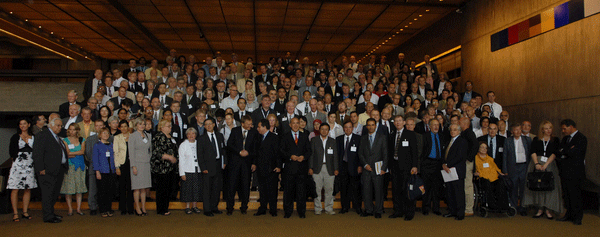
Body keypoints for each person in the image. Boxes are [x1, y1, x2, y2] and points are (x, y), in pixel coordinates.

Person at [522, 121, 562, 219]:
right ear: (542, 129)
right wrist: (536, 163)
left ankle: (548, 209)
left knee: (549, 186)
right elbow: (533, 152)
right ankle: (539, 209)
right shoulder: (536, 139)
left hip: (550, 164)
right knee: (538, 185)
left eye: (550, 128)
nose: (549, 130)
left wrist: (546, 165)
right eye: (546, 128)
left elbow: (554, 153)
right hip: (537, 164)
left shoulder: (555, 140)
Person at [32, 117, 67, 223]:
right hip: (47, 170)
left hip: (58, 169)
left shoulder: (56, 136)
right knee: (48, 193)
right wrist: (40, 168)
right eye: (58, 125)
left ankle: (51, 212)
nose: (60, 127)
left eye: (61, 125)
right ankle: (47, 216)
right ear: (51, 125)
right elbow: (37, 153)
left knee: (54, 193)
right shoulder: (43, 135)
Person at [556, 119, 587, 225]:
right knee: (567, 195)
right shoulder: (565, 139)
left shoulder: (581, 138)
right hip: (565, 172)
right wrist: (567, 151)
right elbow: (559, 152)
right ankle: (568, 214)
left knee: (576, 195)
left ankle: (578, 217)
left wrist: (565, 152)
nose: (563, 131)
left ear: (571, 127)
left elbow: (576, 154)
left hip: (576, 172)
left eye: (565, 128)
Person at [387, 115, 418, 220]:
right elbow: (390, 152)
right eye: (396, 121)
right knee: (396, 190)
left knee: (407, 190)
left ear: (404, 122)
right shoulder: (392, 135)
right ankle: (398, 211)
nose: (398, 123)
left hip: (407, 167)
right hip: (395, 166)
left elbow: (414, 152)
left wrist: (414, 166)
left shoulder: (410, 134)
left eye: (400, 121)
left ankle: (409, 212)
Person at [280, 117, 311, 218]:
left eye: (297, 123)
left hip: (302, 168)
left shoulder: (304, 136)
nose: (296, 125)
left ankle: (301, 212)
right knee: (288, 191)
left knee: (301, 191)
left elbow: (309, 151)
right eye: (293, 123)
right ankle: (288, 211)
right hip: (289, 168)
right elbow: (281, 151)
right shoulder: (285, 136)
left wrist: (304, 157)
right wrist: (290, 156)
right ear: (290, 125)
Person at [226, 115, 257, 215]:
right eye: (248, 124)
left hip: (246, 164)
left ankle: (244, 207)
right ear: (242, 124)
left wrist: (250, 155)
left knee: (245, 186)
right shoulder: (235, 131)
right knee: (232, 186)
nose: (250, 126)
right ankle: (229, 208)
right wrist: (239, 152)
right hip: (234, 163)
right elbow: (229, 144)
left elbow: (255, 149)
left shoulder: (253, 133)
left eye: (251, 124)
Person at [7, 118, 37, 222]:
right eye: (20, 124)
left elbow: (37, 150)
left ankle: (25, 212)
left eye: (24, 124)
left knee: (27, 188)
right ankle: (15, 213)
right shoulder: (15, 137)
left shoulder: (34, 137)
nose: (22, 126)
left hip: (30, 164)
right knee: (15, 188)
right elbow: (11, 152)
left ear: (29, 124)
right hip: (18, 164)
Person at [197, 117, 227, 217]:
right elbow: (199, 154)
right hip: (207, 167)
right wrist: (203, 167)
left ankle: (214, 207)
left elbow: (223, 150)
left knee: (216, 188)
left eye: (210, 124)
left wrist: (224, 162)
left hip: (218, 165)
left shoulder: (219, 135)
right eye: (206, 124)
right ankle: (207, 209)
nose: (209, 126)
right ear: (204, 127)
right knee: (207, 189)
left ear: (214, 124)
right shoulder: (201, 138)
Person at [359, 118, 388, 218]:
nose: (371, 127)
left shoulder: (382, 137)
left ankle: (379, 210)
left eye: (372, 125)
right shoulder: (363, 138)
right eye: (369, 125)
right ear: (366, 127)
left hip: (378, 169)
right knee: (366, 191)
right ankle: (369, 210)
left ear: (375, 126)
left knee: (378, 190)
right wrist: (365, 164)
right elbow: (360, 153)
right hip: (366, 169)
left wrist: (383, 168)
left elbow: (385, 154)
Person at [253, 119, 282, 217]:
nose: (257, 128)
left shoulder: (274, 137)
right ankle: (263, 208)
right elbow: (256, 153)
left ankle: (273, 209)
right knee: (262, 189)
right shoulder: (258, 137)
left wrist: (278, 166)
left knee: (272, 190)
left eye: (259, 126)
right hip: (261, 168)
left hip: (272, 168)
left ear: (264, 127)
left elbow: (278, 153)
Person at [308, 123, 339, 215]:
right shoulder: (314, 140)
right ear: (319, 130)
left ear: (328, 131)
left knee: (329, 189)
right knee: (317, 189)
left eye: (326, 129)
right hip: (317, 168)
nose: (324, 131)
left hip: (330, 168)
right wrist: (310, 167)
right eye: (322, 129)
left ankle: (329, 208)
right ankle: (318, 209)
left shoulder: (332, 141)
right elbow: (311, 155)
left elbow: (335, 156)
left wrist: (336, 168)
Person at [502, 123, 532, 216]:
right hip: (513, 167)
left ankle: (523, 207)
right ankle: (514, 207)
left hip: (524, 166)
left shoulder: (527, 140)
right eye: (516, 130)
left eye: (519, 129)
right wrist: (505, 170)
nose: (518, 132)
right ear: (512, 131)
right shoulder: (508, 141)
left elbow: (530, 154)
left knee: (523, 187)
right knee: (513, 187)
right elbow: (505, 156)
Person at [151, 120, 178, 216]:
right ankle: (161, 209)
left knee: (168, 188)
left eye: (170, 126)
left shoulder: (171, 137)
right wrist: (169, 157)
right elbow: (157, 152)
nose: (170, 128)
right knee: (162, 189)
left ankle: (165, 207)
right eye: (168, 126)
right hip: (161, 167)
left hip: (170, 168)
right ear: (162, 127)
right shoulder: (158, 137)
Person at [60, 123, 88, 216]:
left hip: (80, 166)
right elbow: (67, 153)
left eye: (74, 129)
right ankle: (70, 209)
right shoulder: (65, 140)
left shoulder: (81, 139)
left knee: (79, 188)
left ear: (77, 130)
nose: (72, 131)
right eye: (70, 129)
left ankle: (78, 208)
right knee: (69, 188)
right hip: (70, 165)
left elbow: (83, 151)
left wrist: (73, 153)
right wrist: (76, 153)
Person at [443, 124, 468, 220]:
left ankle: (460, 214)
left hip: (457, 171)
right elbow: (445, 155)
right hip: (448, 171)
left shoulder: (462, 141)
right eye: (451, 130)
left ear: (459, 131)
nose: (452, 132)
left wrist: (447, 164)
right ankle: (452, 211)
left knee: (458, 193)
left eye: (454, 130)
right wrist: (443, 164)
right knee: (450, 192)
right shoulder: (449, 141)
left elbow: (460, 156)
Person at [336, 120, 362, 215]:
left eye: (349, 127)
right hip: (343, 166)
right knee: (344, 188)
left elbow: (361, 154)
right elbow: (337, 155)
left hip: (354, 167)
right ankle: (345, 207)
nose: (347, 129)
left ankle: (357, 207)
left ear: (353, 128)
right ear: (343, 128)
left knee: (355, 188)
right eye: (346, 127)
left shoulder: (358, 138)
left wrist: (360, 165)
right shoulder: (338, 139)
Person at [474, 142, 509, 210]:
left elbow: (496, 168)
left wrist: (501, 173)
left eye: (485, 148)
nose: (484, 149)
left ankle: (503, 206)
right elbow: (474, 169)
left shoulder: (490, 159)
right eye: (482, 147)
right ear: (478, 148)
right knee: (487, 184)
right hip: (482, 178)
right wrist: (475, 173)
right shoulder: (475, 158)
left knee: (501, 183)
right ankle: (492, 205)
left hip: (493, 178)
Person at [128, 118, 152, 216]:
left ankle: (143, 207)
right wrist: (133, 166)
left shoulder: (148, 135)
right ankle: (137, 207)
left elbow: (150, 150)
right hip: (137, 164)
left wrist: (148, 158)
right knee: (137, 187)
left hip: (146, 163)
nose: (142, 126)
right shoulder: (132, 136)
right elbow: (131, 152)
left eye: (143, 124)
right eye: (139, 124)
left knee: (144, 188)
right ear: (136, 125)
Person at [421, 119, 444, 216]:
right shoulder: (424, 136)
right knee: (426, 187)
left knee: (436, 187)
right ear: (429, 126)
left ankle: (436, 208)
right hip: (427, 163)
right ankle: (425, 208)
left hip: (438, 164)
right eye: (434, 125)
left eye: (437, 125)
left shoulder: (442, 136)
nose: (436, 127)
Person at [93, 128, 116, 218]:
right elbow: (95, 159)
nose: (106, 134)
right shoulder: (97, 145)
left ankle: (108, 208)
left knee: (109, 191)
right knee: (102, 191)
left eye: (107, 133)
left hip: (111, 171)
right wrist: (97, 171)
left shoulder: (111, 145)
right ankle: (102, 209)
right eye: (104, 133)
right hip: (102, 171)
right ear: (100, 135)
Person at [178, 127, 202, 215]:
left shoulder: (198, 143)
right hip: (187, 170)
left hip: (197, 169)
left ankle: (194, 206)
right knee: (188, 189)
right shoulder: (183, 145)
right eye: (189, 134)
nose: (191, 135)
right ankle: (187, 207)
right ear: (186, 135)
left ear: (195, 135)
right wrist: (182, 173)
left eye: (193, 134)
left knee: (196, 188)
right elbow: (181, 160)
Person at [113, 120, 134, 215]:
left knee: (131, 186)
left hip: (132, 164)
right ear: (119, 128)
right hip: (122, 164)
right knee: (122, 187)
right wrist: (117, 167)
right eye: (122, 127)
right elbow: (115, 153)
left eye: (125, 126)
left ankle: (130, 207)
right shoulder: (117, 137)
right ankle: (122, 208)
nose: (124, 128)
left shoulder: (133, 136)